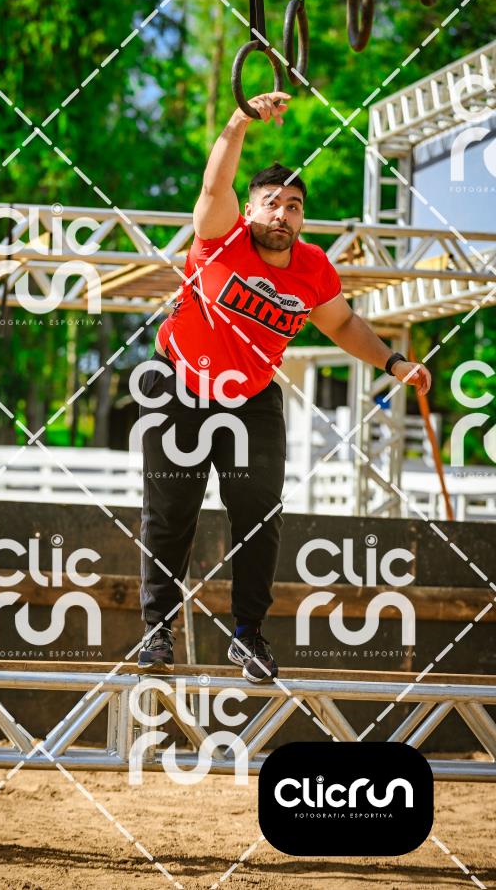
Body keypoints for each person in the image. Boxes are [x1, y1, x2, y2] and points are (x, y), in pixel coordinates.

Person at [136, 91, 431, 682]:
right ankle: (156, 631)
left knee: (259, 514)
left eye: (293, 206)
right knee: (171, 512)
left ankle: (248, 636)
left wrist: (394, 362)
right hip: (178, 386)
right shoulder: (220, 237)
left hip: (251, 399)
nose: (283, 214)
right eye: (271, 203)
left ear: (301, 219)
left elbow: (342, 324)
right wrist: (239, 120)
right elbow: (215, 184)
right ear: (249, 210)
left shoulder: (313, 268)